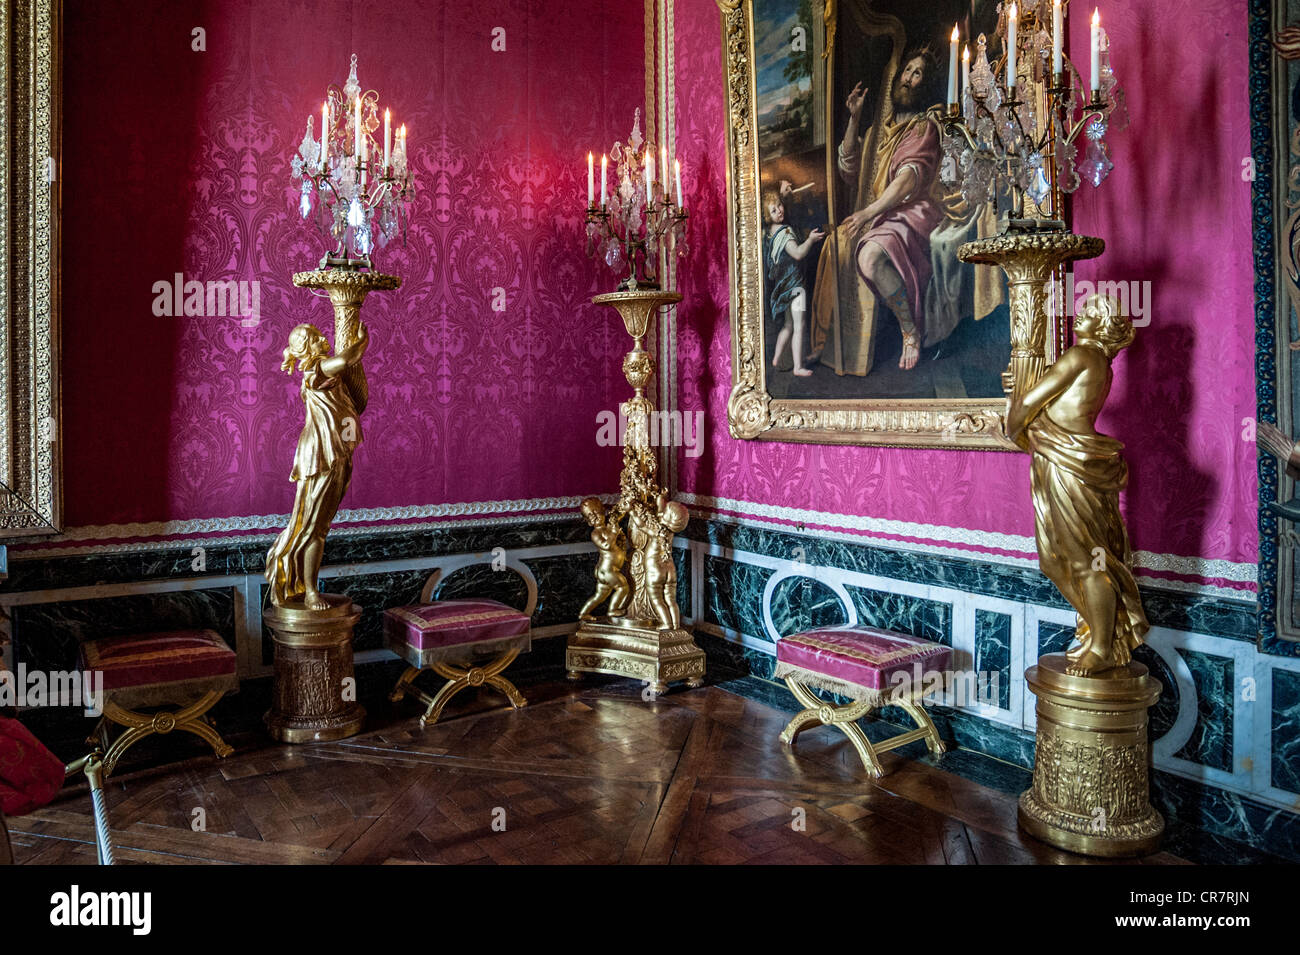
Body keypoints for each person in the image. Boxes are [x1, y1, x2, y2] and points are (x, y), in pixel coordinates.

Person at [1005, 296, 1149, 676]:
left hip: (1072, 464)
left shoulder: (1082, 355)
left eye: (1088, 313)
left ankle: (1102, 646)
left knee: (1086, 559)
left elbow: (1028, 403)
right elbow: (1048, 403)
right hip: (1060, 458)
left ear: (1100, 327)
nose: (1079, 316)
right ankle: (1106, 628)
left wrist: (1014, 423)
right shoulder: (1096, 362)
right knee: (1053, 560)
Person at [811, 46, 948, 374]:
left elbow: (906, 182)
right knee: (836, 244)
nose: (909, 79)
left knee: (870, 257)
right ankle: (836, 344)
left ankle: (909, 330)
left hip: (912, 212)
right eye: (907, 71)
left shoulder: (923, 127)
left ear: (924, 85)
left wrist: (867, 213)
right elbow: (848, 170)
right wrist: (855, 118)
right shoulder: (877, 132)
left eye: (917, 74)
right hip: (881, 213)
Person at [265, 322, 369, 611]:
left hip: (335, 451)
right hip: (321, 454)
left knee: (318, 525)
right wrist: (363, 340)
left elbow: (354, 399)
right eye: (317, 338)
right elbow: (348, 359)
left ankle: (305, 585)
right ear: (307, 349)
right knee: (314, 527)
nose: (324, 338)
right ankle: (310, 591)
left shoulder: (323, 372)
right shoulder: (318, 369)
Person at [763, 188, 826, 377]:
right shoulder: (784, 232)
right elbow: (798, 253)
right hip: (794, 286)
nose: (780, 211)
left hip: (782, 286)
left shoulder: (770, 232)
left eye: (780, 206)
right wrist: (811, 240)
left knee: (788, 325)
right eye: (773, 210)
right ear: (767, 215)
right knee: (799, 326)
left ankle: (776, 358)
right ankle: (798, 367)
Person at [578, 497, 630, 619]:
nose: (595, 516)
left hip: (606, 571)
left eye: (596, 512)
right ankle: (613, 610)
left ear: (603, 512)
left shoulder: (607, 528)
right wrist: (614, 533)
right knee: (623, 587)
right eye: (590, 515)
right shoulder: (595, 533)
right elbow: (607, 545)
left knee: (600, 595)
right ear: (588, 521)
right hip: (607, 570)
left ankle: (584, 613)